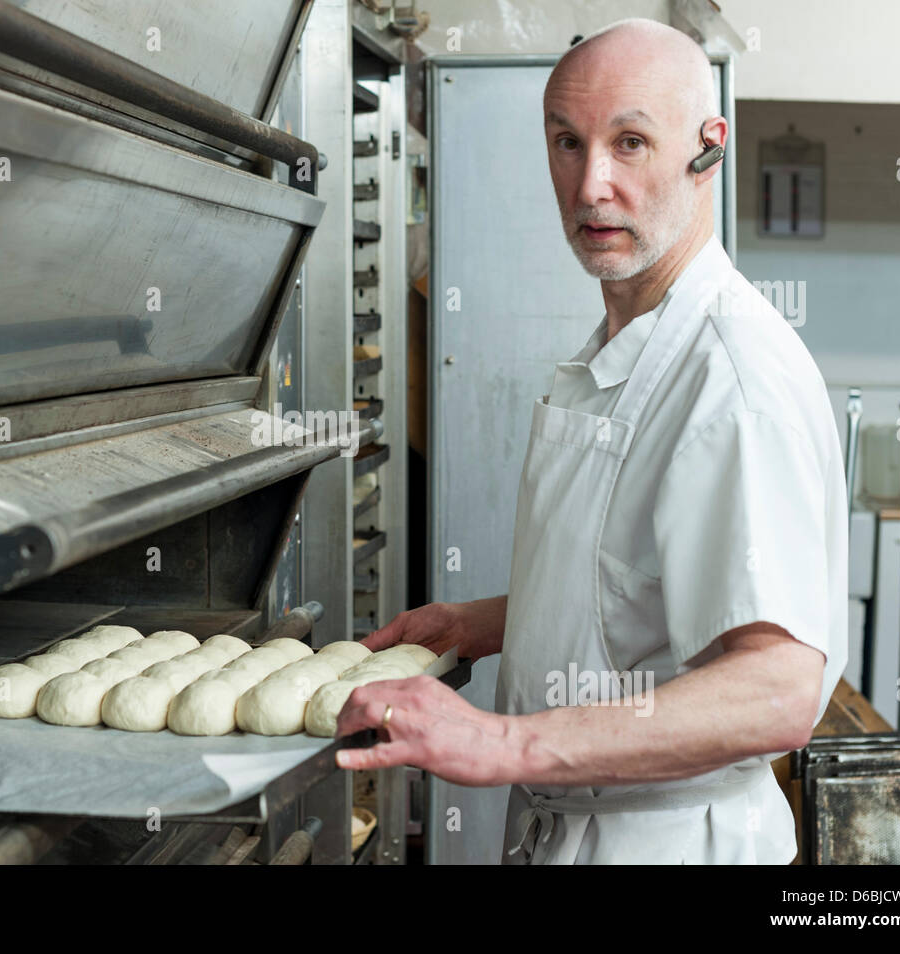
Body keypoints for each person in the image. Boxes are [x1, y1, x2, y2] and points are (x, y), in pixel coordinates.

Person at [334, 18, 847, 864]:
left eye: (632, 142)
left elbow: (776, 690)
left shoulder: (732, 377)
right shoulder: (629, 341)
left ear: (707, 149)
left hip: (669, 840)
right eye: (568, 143)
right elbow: (650, 590)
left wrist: (504, 743)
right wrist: (494, 620)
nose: (591, 185)